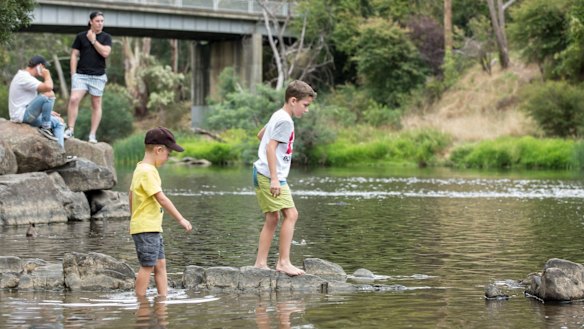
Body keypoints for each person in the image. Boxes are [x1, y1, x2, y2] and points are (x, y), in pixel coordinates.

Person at [252, 80, 316, 276]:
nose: (306, 110)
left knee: (272, 218)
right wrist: (274, 178)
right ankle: (283, 262)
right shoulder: (285, 121)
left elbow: (260, 135)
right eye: (305, 105)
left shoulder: (278, 115)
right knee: (292, 214)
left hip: (260, 172)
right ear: (293, 100)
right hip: (270, 175)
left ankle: (261, 264)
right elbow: (270, 147)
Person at [129, 127, 193, 297]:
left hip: (150, 227)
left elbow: (131, 194)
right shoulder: (148, 171)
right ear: (159, 150)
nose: (168, 158)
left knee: (160, 264)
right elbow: (162, 198)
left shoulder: (140, 168)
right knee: (147, 266)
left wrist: (133, 216)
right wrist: (181, 219)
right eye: (168, 153)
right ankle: (140, 300)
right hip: (146, 228)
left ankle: (163, 298)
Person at [64, 11, 112, 144]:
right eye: (97, 21)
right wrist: (73, 74)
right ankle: (70, 129)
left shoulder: (106, 37)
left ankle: (92, 135)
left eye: (102, 21)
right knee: (74, 99)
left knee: (96, 104)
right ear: (91, 21)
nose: (100, 23)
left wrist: (94, 40)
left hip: (98, 76)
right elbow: (74, 55)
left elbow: (105, 53)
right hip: (81, 75)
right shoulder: (80, 36)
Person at [8, 55, 65, 148]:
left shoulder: (27, 77)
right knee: (49, 94)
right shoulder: (23, 77)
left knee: (59, 122)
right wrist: (47, 75)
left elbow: (31, 102)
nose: (45, 69)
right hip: (21, 115)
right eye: (44, 67)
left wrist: (48, 112)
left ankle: (61, 154)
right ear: (39, 66)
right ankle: (46, 127)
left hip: (28, 113)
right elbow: (48, 87)